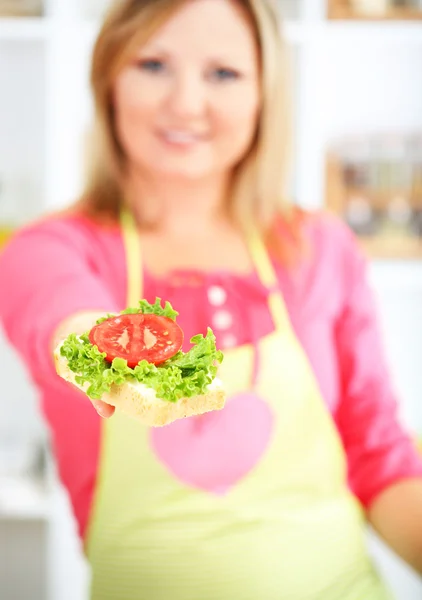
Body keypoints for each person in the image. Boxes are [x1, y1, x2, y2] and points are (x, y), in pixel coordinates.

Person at [0, 0, 421, 598]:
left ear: (263, 94)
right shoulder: (51, 250)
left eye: (223, 73)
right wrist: (114, 357)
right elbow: (67, 323)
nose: (186, 104)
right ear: (108, 78)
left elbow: (378, 456)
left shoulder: (321, 248)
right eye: (152, 64)